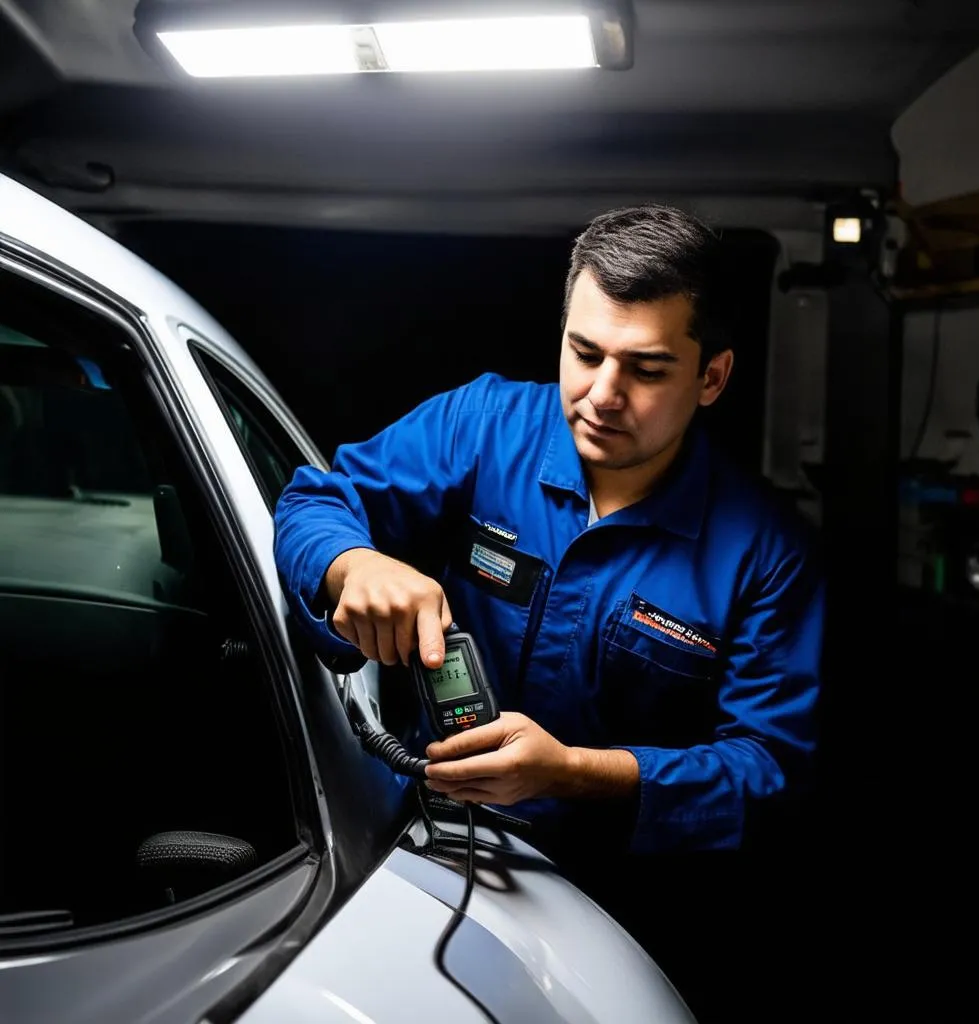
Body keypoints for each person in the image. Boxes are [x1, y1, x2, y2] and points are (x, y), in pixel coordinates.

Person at [274, 205, 823, 1017]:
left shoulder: (767, 552)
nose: (602, 396)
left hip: (640, 908)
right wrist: (353, 563)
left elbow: (769, 774)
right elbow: (317, 500)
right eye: (585, 352)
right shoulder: (484, 424)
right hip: (435, 848)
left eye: (647, 369)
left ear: (712, 377)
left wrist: (572, 774)